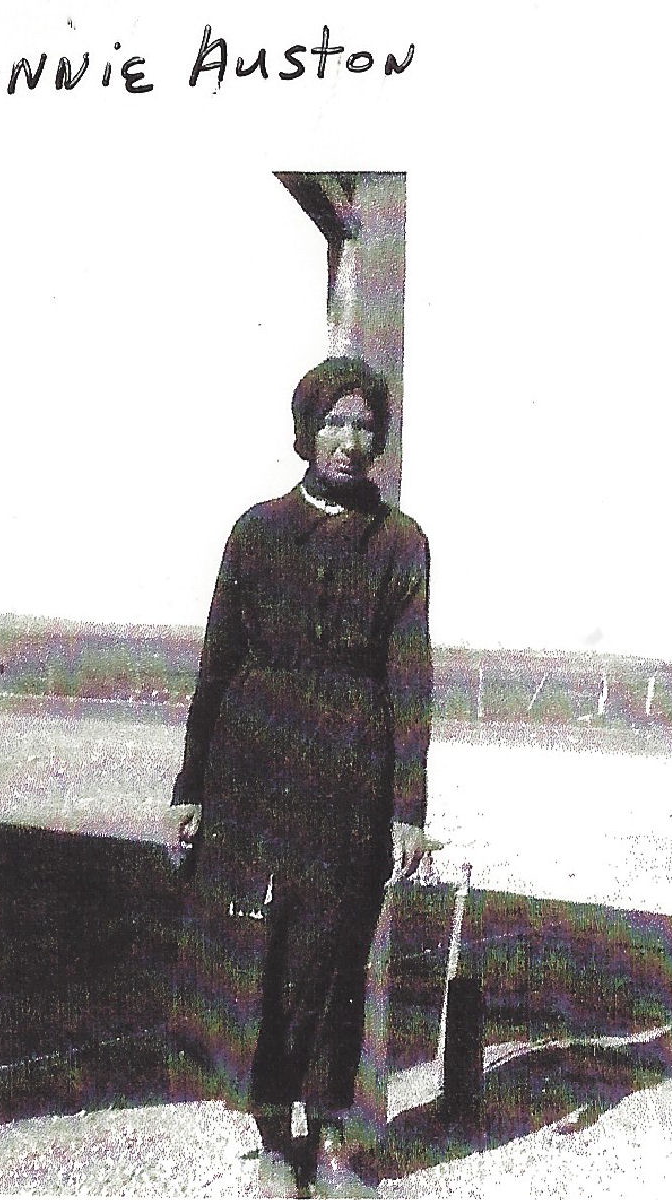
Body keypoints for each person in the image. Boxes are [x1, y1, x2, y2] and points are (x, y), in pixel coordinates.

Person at [171, 356, 432, 1196]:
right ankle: (272, 1141)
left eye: (365, 426)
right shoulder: (256, 532)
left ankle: (330, 1144)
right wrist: (190, 788)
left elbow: (410, 680)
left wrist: (408, 808)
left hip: (352, 775)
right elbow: (217, 664)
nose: (350, 441)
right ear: (306, 432)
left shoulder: (401, 544)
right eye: (334, 423)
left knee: (336, 957)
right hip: (255, 773)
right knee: (262, 954)